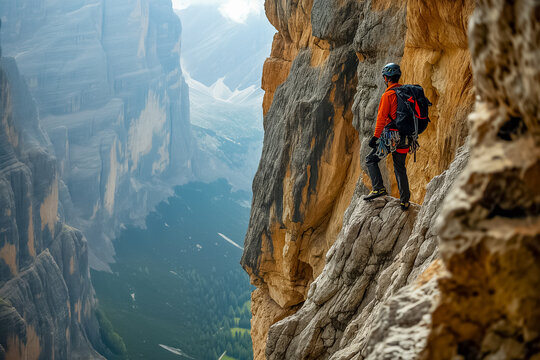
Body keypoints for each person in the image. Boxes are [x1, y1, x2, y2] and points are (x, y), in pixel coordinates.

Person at [364, 63, 410, 210]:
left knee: (371, 160)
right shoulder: (406, 93)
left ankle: (378, 188)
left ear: (386, 78)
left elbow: (381, 118)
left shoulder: (388, 95)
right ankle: (405, 201)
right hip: (407, 137)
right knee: (400, 167)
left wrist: (375, 137)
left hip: (392, 136)